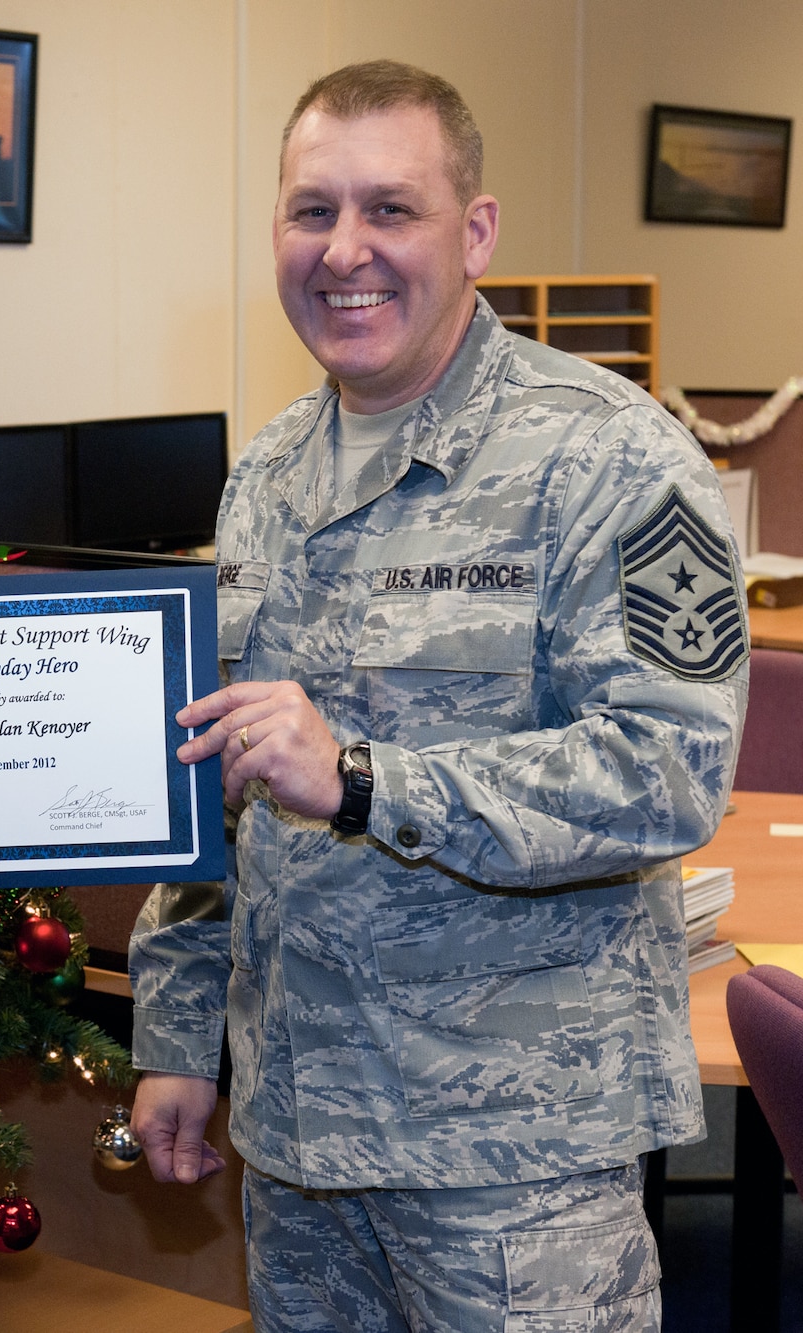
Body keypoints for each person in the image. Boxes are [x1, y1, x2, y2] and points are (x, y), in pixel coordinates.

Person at [129, 60, 745, 1332]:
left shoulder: (611, 458)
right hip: (299, 1135)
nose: (343, 250)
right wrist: (180, 1029)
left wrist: (362, 779)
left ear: (473, 233)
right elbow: (217, 785)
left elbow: (670, 771)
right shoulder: (266, 475)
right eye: (311, 212)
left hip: (512, 1157)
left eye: (388, 210)